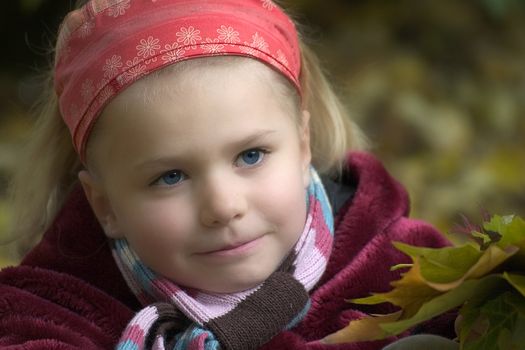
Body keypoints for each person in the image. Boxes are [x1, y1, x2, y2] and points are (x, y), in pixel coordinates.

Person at [0, 0, 457, 349]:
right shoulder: (52, 311)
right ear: (105, 206)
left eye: (251, 156)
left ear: (302, 146)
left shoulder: (403, 269)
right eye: (171, 177)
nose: (223, 206)